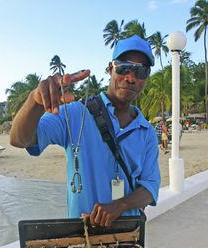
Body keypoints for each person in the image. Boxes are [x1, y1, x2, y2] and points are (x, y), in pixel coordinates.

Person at [10, 35, 161, 227]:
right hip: (82, 236)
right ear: (110, 69)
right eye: (123, 67)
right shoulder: (75, 114)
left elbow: (150, 186)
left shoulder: (146, 131)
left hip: (128, 238)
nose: (131, 78)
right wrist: (35, 102)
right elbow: (19, 139)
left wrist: (120, 205)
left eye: (141, 72)